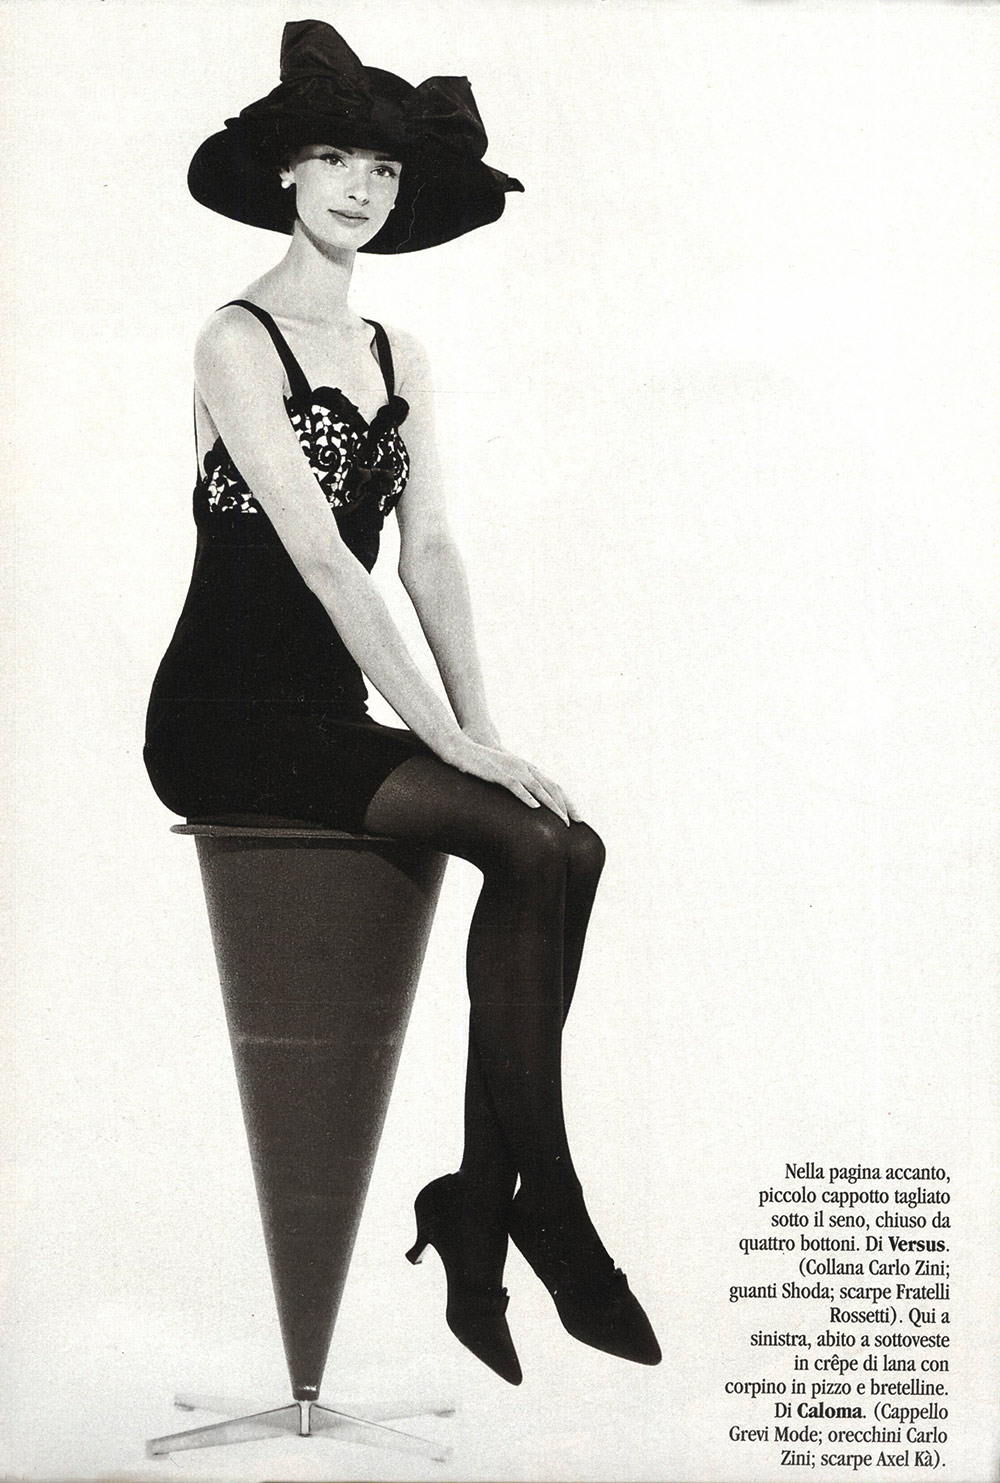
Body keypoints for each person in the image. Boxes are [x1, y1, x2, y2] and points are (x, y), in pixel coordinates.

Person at [144, 18, 659, 1385]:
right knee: (526, 841)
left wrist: (481, 735)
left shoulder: (398, 349)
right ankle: (544, 1212)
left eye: (381, 167)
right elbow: (323, 557)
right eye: (335, 158)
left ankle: (482, 1204)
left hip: (334, 714)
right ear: (285, 173)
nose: (360, 187)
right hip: (225, 722)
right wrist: (442, 740)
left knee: (566, 842)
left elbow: (427, 554)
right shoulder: (233, 338)